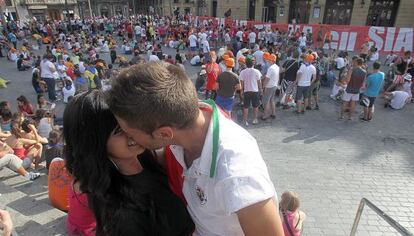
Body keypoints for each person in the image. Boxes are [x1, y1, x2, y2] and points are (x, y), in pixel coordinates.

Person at [106, 61, 284, 236]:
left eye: (130, 133)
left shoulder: (236, 174)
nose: (130, 139)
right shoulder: (185, 126)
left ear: (164, 134)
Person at [63, 91, 194, 236]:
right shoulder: (121, 212)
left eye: (130, 123)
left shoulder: (149, 159)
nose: (131, 132)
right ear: (95, 143)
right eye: (119, 130)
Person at [240, 57, 262, 125]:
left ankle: (245, 120)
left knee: (246, 106)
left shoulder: (242, 72)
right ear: (253, 64)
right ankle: (255, 119)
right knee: (255, 106)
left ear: (246, 64)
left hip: (246, 91)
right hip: (255, 90)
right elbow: (259, 82)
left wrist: (241, 91)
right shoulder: (257, 71)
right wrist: (261, 89)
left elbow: (241, 83)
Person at [261, 54, 279, 120]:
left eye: (269, 60)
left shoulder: (270, 68)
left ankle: (265, 115)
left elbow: (267, 79)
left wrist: (263, 86)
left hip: (269, 86)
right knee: (272, 100)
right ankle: (273, 113)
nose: (268, 61)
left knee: (266, 101)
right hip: (274, 85)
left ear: (272, 61)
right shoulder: (277, 67)